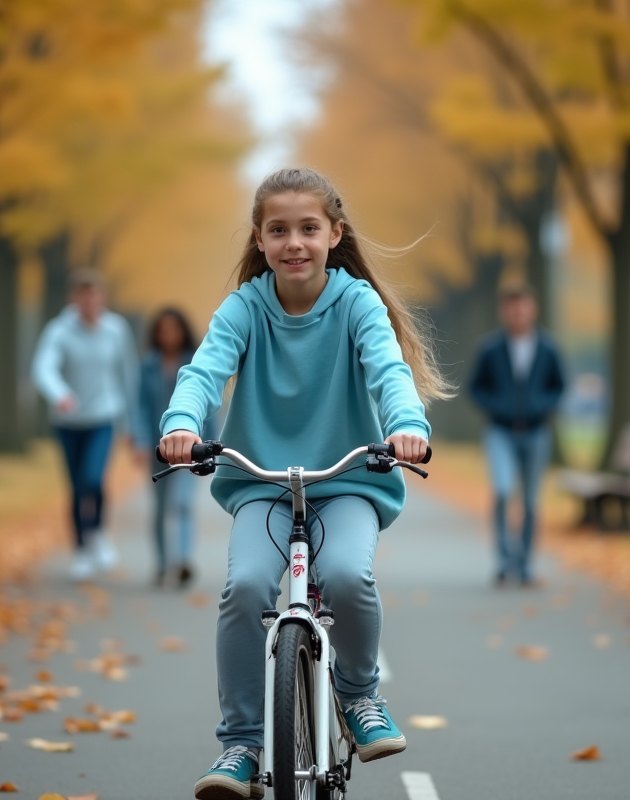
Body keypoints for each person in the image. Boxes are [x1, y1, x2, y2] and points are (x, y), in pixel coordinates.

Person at [156, 167, 450, 800]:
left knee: (347, 576)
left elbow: (388, 370)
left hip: (347, 480)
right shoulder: (244, 308)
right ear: (259, 241)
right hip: (262, 484)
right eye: (279, 229)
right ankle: (239, 742)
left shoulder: (356, 304)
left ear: (334, 234)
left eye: (308, 229)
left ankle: (358, 694)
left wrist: (405, 425)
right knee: (244, 588)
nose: (294, 242)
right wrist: (182, 421)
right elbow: (203, 370)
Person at [32, 269, 139, 582]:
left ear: (102, 299)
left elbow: (126, 375)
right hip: (68, 420)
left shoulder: (116, 329)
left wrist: (132, 425)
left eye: (94, 296)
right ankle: (80, 549)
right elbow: (43, 366)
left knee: (93, 478)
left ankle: (98, 533)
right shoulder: (59, 330)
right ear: (73, 299)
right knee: (77, 486)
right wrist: (60, 394)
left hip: (104, 417)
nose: (89, 302)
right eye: (82, 296)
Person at [468, 282, 566, 587]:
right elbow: (475, 388)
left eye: (522, 305)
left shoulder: (548, 348)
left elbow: (559, 386)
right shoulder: (490, 349)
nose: (517, 312)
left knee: (532, 502)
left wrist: (541, 406)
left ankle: (524, 567)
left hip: (537, 433)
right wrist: (497, 407)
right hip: (500, 432)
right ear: (504, 310)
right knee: (502, 490)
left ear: (532, 308)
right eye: (511, 306)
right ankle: (504, 561)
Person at [136, 308, 208, 588]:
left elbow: (208, 407)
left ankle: (183, 561)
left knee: (183, 503)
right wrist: (140, 440)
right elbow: (140, 405)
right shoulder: (149, 364)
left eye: (174, 329)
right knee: (160, 507)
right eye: (163, 330)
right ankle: (162, 563)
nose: (169, 336)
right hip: (158, 448)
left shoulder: (195, 362)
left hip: (192, 446)